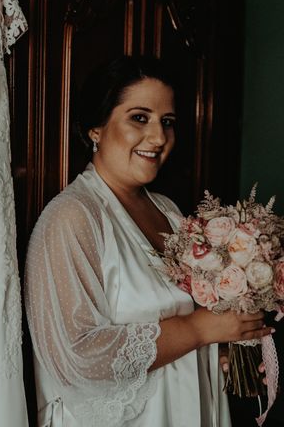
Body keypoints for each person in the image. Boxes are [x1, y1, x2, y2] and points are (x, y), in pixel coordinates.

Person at [23, 56, 274, 427]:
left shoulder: (170, 212)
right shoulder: (72, 217)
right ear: (96, 127)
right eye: (139, 117)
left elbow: (186, 318)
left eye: (167, 122)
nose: (158, 138)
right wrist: (200, 330)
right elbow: (78, 357)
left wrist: (222, 350)